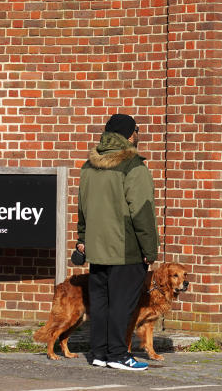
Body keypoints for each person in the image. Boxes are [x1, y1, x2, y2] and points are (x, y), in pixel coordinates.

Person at [75, 113, 159, 371]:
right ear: (130, 134)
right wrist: (149, 249)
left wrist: (82, 238)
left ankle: (100, 353)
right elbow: (142, 210)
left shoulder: (89, 165)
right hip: (126, 249)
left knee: (101, 303)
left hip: (97, 248)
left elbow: (83, 206)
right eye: (137, 131)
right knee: (123, 304)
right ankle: (119, 355)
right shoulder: (133, 165)